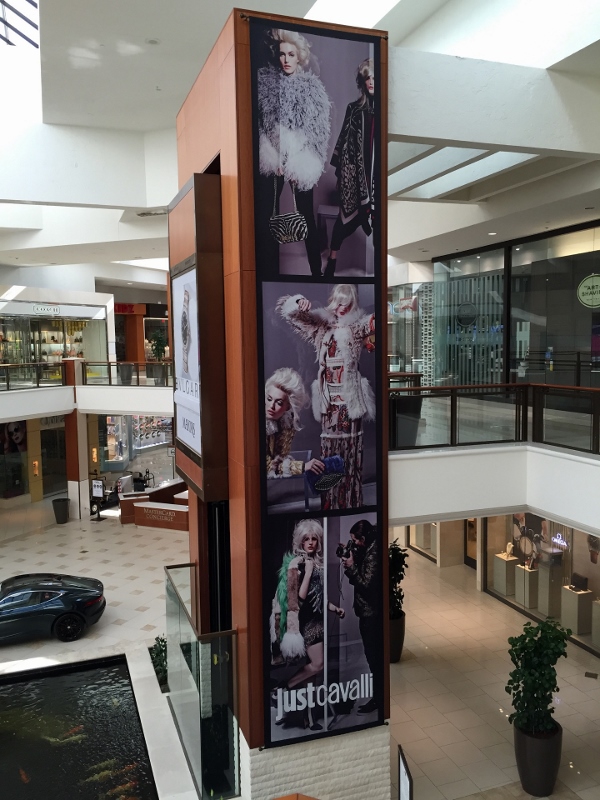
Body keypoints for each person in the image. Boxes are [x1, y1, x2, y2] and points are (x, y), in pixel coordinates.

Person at [277, 284, 375, 509]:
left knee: (351, 452)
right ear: (333, 300)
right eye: (339, 302)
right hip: (329, 402)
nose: (342, 307)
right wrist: (298, 302)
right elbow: (291, 315)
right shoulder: (321, 324)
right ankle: (331, 502)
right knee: (330, 453)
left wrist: (396, 307)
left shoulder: (356, 326)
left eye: (347, 303)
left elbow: (372, 322)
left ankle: (351, 501)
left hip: (350, 401)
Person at [257, 28, 331, 277]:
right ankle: (267, 273)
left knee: (306, 217)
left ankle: (316, 273)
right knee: (268, 215)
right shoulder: (266, 85)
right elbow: (262, 126)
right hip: (274, 159)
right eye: (282, 54)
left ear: (299, 56)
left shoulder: (312, 89)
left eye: (291, 54)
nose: (286, 59)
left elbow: (318, 132)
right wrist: (274, 158)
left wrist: (296, 162)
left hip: (301, 159)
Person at [270, 519, 344, 730]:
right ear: (300, 542)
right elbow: (298, 599)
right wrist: (308, 572)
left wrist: (334, 608)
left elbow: (318, 596)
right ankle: (282, 688)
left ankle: (309, 719)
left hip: (319, 619)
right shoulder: (297, 564)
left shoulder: (316, 562)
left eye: (314, 539)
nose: (311, 542)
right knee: (318, 664)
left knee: (312, 675)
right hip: (306, 622)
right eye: (306, 539)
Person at [324, 58, 375, 279]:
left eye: (374, 78)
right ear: (362, 81)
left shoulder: (383, 113)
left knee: (377, 217)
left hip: (375, 173)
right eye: (367, 77)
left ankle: (379, 269)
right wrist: (342, 175)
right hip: (355, 173)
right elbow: (344, 139)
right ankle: (332, 260)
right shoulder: (354, 109)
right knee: (343, 219)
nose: (371, 82)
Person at [340, 519, 380, 715]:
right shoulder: (370, 546)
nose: (354, 543)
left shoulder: (374, 554)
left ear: (363, 538)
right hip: (366, 612)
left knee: (373, 657)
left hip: (371, 614)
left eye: (355, 541)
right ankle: (379, 696)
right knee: (372, 656)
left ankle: (378, 699)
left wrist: (350, 567)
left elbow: (366, 584)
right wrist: (353, 553)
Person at [265, 367, 324, 479]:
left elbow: (280, 458)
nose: (271, 406)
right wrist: (302, 466)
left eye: (279, 402)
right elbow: (267, 466)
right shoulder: (258, 425)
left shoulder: (285, 424)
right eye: (269, 399)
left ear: (288, 407)